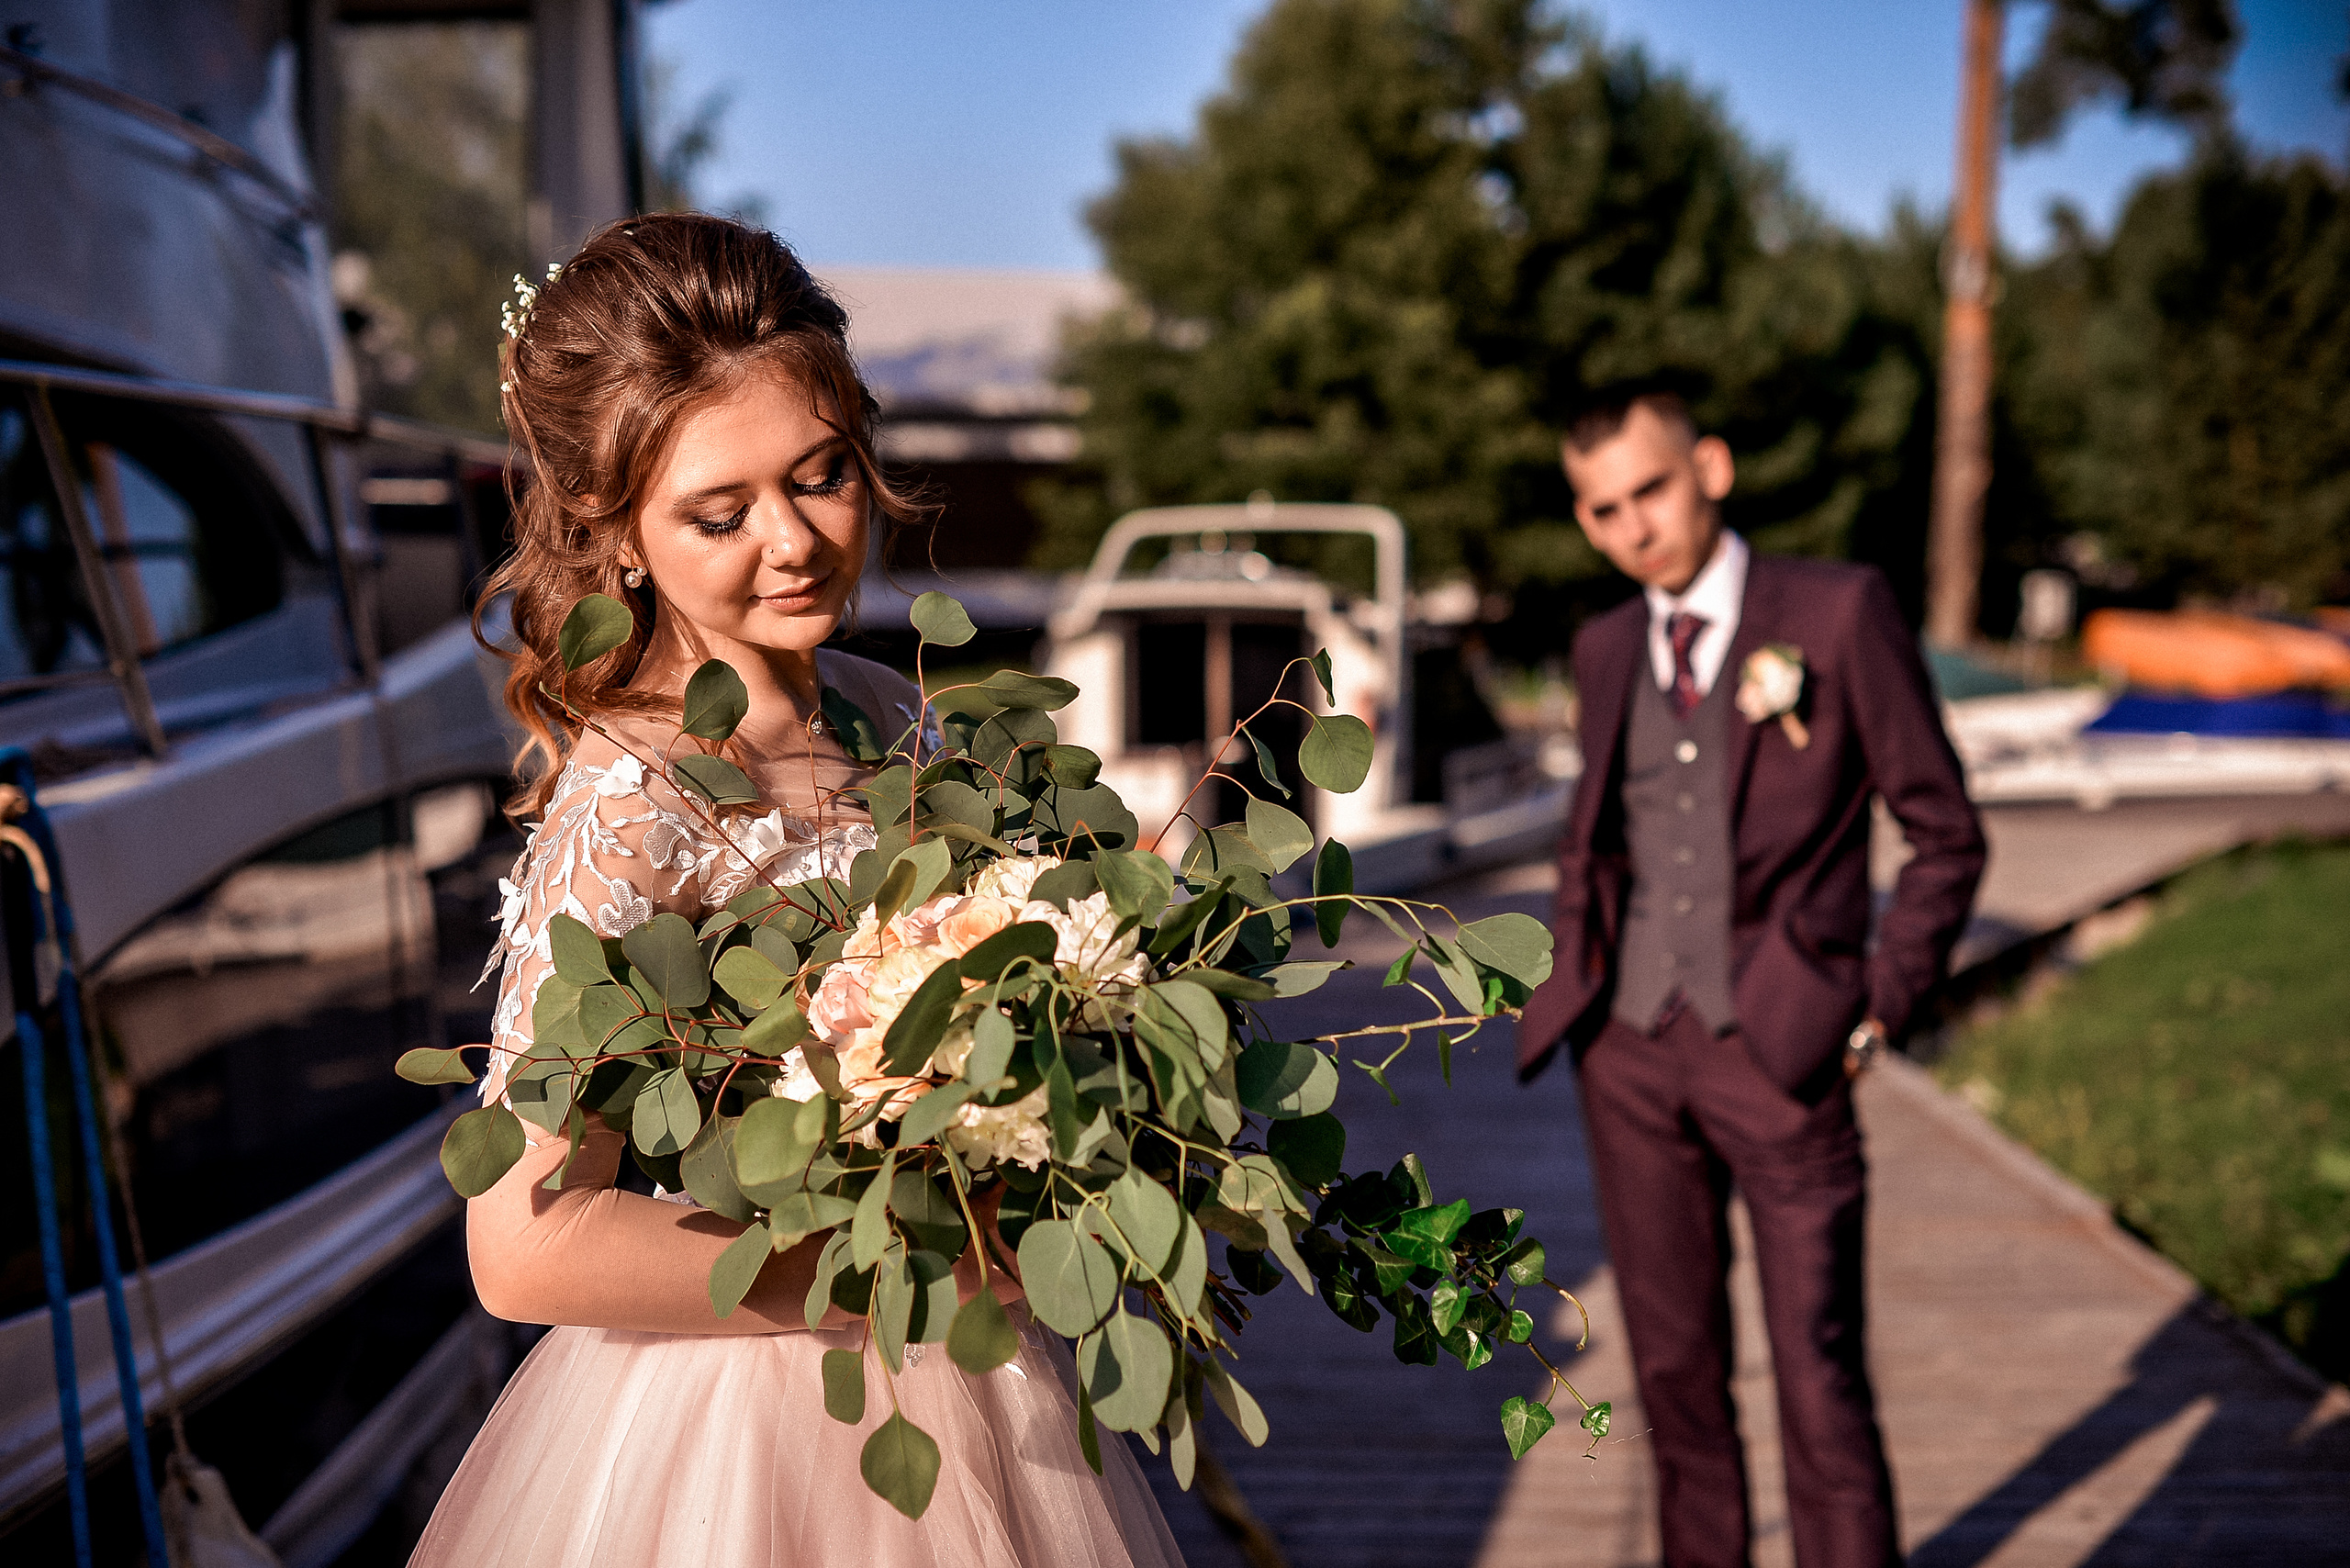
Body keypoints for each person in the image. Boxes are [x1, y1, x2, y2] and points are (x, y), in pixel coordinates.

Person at [408, 215, 1183, 1568]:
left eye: (822, 476)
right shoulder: (635, 803)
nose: (797, 540)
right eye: (721, 512)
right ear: (621, 535)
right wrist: (884, 1268)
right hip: (745, 1420)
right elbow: (523, 1250)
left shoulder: (901, 719)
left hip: (982, 1377)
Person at [1516, 391, 1985, 1568]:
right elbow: (1596, 839)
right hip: (1626, 1054)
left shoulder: (1836, 612)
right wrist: (1576, 987)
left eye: (1651, 491)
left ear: (1710, 468)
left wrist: (1878, 1000)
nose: (1635, 527)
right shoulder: (1605, 645)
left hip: (1785, 1045)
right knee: (1674, 1374)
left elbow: (1944, 830)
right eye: (1604, 509)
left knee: (1817, 1371)